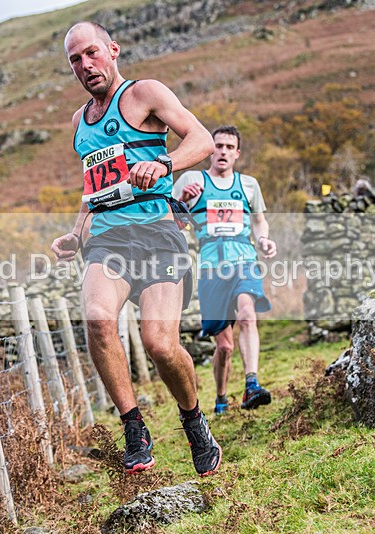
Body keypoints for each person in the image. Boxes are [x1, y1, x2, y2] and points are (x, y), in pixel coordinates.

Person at [50, 21, 222, 477]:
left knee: (159, 344)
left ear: (113, 49)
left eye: (91, 53)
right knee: (98, 321)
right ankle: (134, 428)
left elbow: (201, 140)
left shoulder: (144, 93)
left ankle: (193, 420)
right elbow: (93, 190)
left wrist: (163, 163)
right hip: (108, 240)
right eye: (75, 59)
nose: (86, 65)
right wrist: (76, 232)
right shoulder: (79, 123)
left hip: (158, 235)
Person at [172, 126, 278, 415]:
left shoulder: (249, 185)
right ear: (210, 149)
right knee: (225, 346)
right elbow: (171, 221)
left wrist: (264, 240)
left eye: (230, 147)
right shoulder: (192, 180)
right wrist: (182, 202)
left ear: (237, 153)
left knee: (247, 314)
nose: (223, 152)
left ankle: (251, 384)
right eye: (218, 146)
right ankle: (221, 397)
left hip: (244, 260)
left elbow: (259, 221)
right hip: (211, 268)